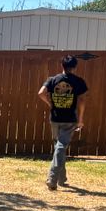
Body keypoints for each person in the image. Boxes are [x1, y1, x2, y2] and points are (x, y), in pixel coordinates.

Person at [38, 55, 88, 191]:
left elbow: (41, 93)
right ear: (75, 67)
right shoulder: (78, 81)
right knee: (60, 147)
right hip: (70, 119)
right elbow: (82, 101)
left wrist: (50, 103)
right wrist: (81, 119)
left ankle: (62, 179)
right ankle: (52, 179)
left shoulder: (53, 80)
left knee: (58, 147)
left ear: (62, 66)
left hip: (55, 118)